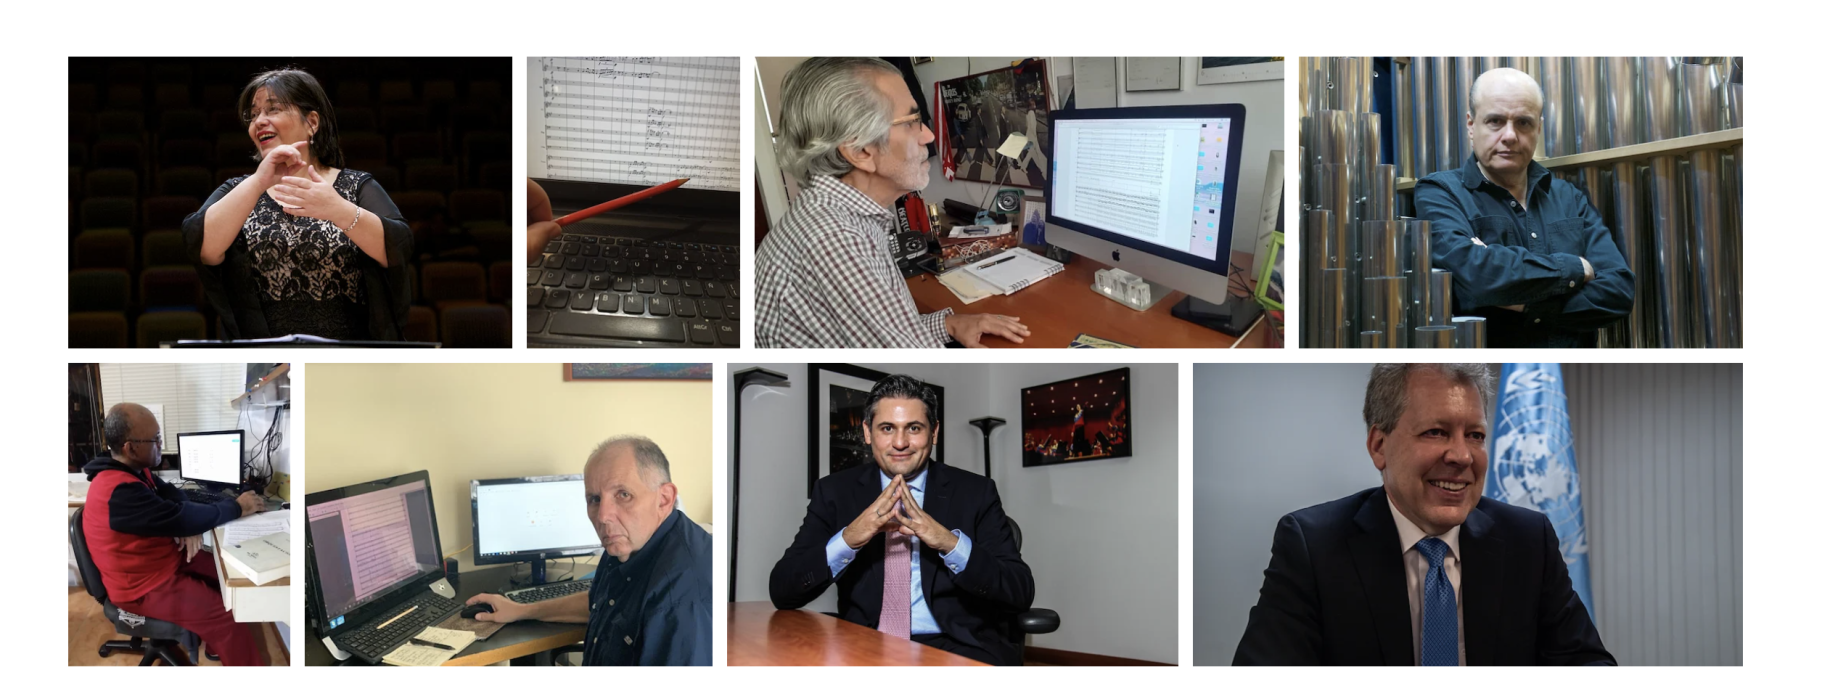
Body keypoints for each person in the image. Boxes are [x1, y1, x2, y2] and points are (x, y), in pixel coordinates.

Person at [1233, 364, 1614, 666]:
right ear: (1379, 446)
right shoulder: (1313, 546)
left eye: (1476, 435)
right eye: (1436, 432)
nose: (1462, 456)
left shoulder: (1529, 540)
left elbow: (1586, 665)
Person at [754, 57, 1029, 348]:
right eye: (912, 122)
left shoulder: (839, 214)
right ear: (860, 151)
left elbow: (885, 329)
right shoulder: (834, 240)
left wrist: (947, 323)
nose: (929, 135)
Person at [769, 374, 1035, 665]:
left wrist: (949, 543)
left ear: (934, 433)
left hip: (956, 646)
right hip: (863, 644)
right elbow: (783, 591)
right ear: (868, 432)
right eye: (887, 428)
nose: (900, 442)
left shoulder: (976, 492)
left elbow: (1019, 591)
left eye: (914, 428)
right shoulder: (833, 492)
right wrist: (848, 540)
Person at [182, 67, 413, 340]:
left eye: (273, 109)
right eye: (254, 115)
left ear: (312, 122)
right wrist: (258, 182)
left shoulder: (356, 186)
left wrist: (337, 209)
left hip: (347, 357)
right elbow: (204, 249)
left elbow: (397, 249)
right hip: (266, 356)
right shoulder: (239, 190)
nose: (259, 122)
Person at [1414, 68, 1633, 347]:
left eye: (1523, 123)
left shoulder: (1570, 198)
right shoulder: (1440, 192)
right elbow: (1475, 276)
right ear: (1471, 125)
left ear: (1538, 128)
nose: (1510, 135)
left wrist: (1523, 303)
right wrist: (1575, 268)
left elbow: (1619, 292)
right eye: (1495, 121)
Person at [464, 436, 711, 666]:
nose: (603, 516)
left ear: (664, 499)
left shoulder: (679, 600)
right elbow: (601, 603)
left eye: (623, 495)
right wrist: (520, 611)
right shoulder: (629, 543)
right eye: (594, 499)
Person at [81, 403, 269, 666]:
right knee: (227, 618)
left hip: (162, 562)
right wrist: (237, 507)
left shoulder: (134, 470)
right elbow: (179, 516)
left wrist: (186, 524)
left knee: (227, 576)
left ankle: (217, 647)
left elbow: (172, 494)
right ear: (130, 447)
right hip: (142, 586)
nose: (161, 444)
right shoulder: (118, 491)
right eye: (155, 439)